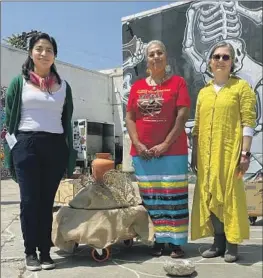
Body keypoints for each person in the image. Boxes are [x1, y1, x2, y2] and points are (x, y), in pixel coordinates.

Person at [4, 32, 77, 271]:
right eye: (39, 49)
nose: (44, 53)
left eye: (49, 49)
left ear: (54, 55)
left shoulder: (63, 86)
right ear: (31, 53)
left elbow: (68, 122)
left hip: (55, 146)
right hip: (26, 145)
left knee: (47, 202)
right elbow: (8, 120)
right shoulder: (19, 83)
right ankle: (29, 252)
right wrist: (10, 151)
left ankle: (45, 252)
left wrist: (69, 155)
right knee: (29, 201)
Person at [190, 41, 256, 263]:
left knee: (230, 198)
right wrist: (194, 154)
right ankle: (218, 242)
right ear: (210, 61)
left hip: (230, 155)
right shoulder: (204, 93)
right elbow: (197, 127)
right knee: (209, 197)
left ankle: (232, 244)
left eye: (225, 57)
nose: (220, 60)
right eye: (216, 56)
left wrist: (245, 153)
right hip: (205, 156)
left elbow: (248, 122)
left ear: (232, 62)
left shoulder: (241, 88)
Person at [126, 40, 191, 258]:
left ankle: (176, 242)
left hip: (173, 152)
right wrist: (137, 143)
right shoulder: (136, 87)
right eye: (152, 54)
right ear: (147, 59)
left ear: (166, 56)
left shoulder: (178, 83)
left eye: (160, 53)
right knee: (152, 198)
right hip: (143, 154)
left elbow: (182, 117)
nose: (156, 57)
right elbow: (130, 118)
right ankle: (159, 239)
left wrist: (165, 144)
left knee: (174, 197)